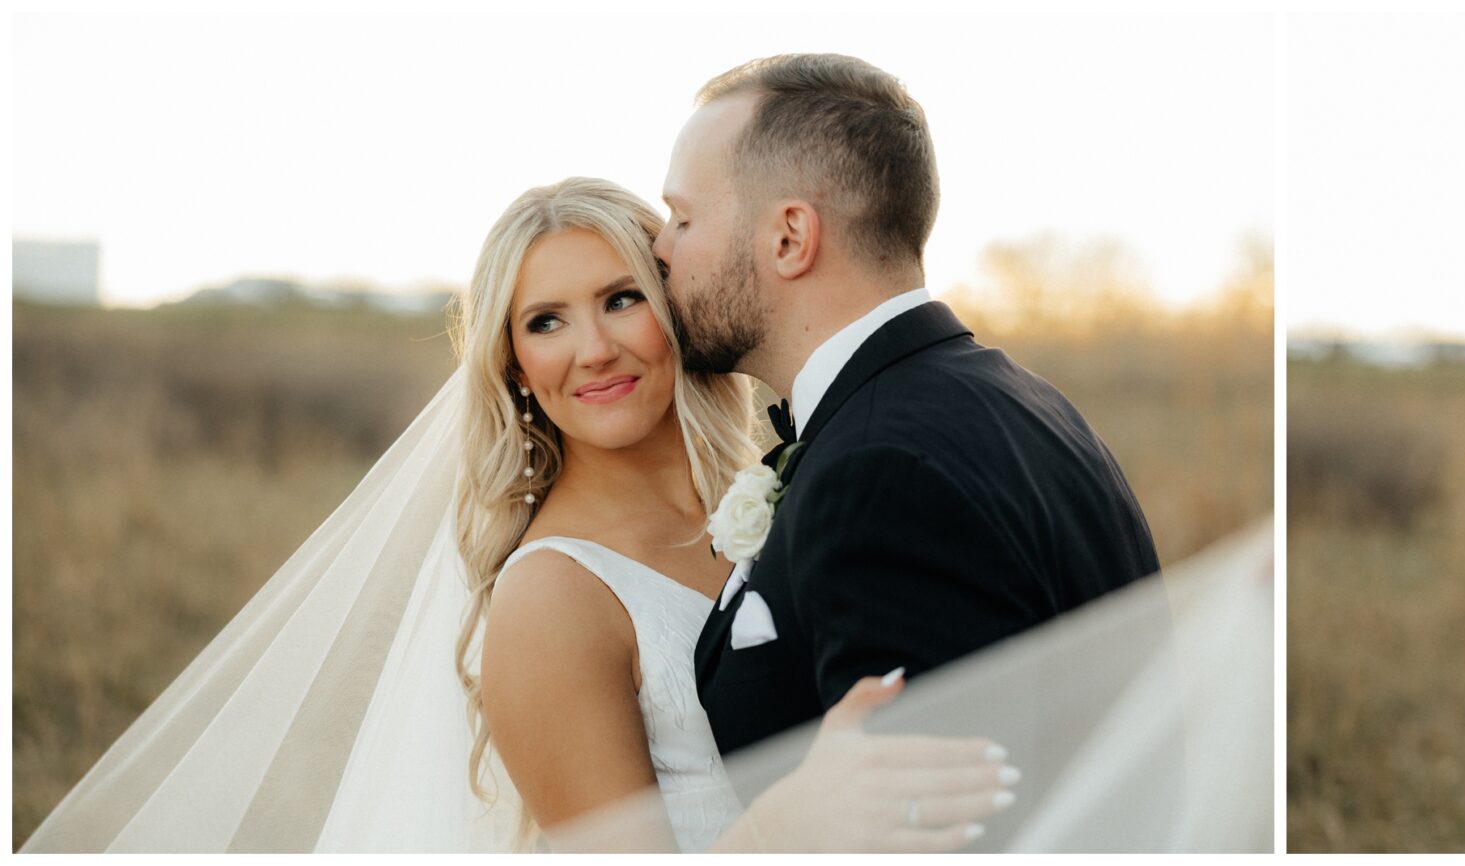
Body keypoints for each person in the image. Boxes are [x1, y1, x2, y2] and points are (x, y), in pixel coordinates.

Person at [18, 178, 1013, 853]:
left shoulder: (778, 493)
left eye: (622, 296)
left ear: (674, 307)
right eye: (545, 320)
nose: (593, 348)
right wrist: (793, 822)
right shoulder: (552, 598)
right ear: (514, 367)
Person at [653, 53, 1162, 764]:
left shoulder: (879, 474)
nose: (658, 248)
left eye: (681, 218)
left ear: (790, 238)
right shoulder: (1024, 400)